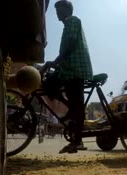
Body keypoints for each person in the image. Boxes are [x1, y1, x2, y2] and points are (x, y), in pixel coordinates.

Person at [41, 0, 93, 153]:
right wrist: (55, 64)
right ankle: (72, 112)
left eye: (59, 10)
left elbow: (69, 45)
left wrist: (54, 62)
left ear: (67, 10)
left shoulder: (72, 20)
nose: (57, 13)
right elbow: (67, 49)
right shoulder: (68, 25)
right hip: (69, 69)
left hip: (75, 70)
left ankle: (76, 141)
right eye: (56, 10)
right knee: (52, 85)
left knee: (76, 105)